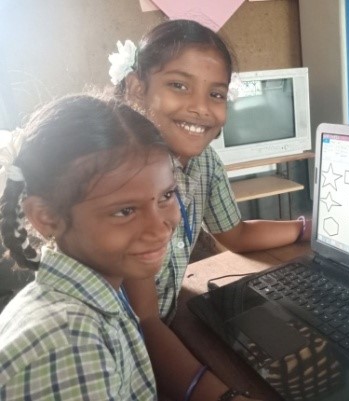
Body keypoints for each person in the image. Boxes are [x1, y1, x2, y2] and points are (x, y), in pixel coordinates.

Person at [109, 19, 308, 400]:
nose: (201, 108)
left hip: (162, 326)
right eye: (179, 86)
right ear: (136, 88)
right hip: (121, 354)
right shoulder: (127, 176)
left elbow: (234, 234)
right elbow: (144, 320)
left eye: (216, 94)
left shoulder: (204, 164)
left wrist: (304, 228)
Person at [0, 94, 215, 400]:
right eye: (125, 211)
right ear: (46, 218)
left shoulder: (96, 300)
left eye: (166, 196)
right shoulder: (71, 344)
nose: (160, 228)